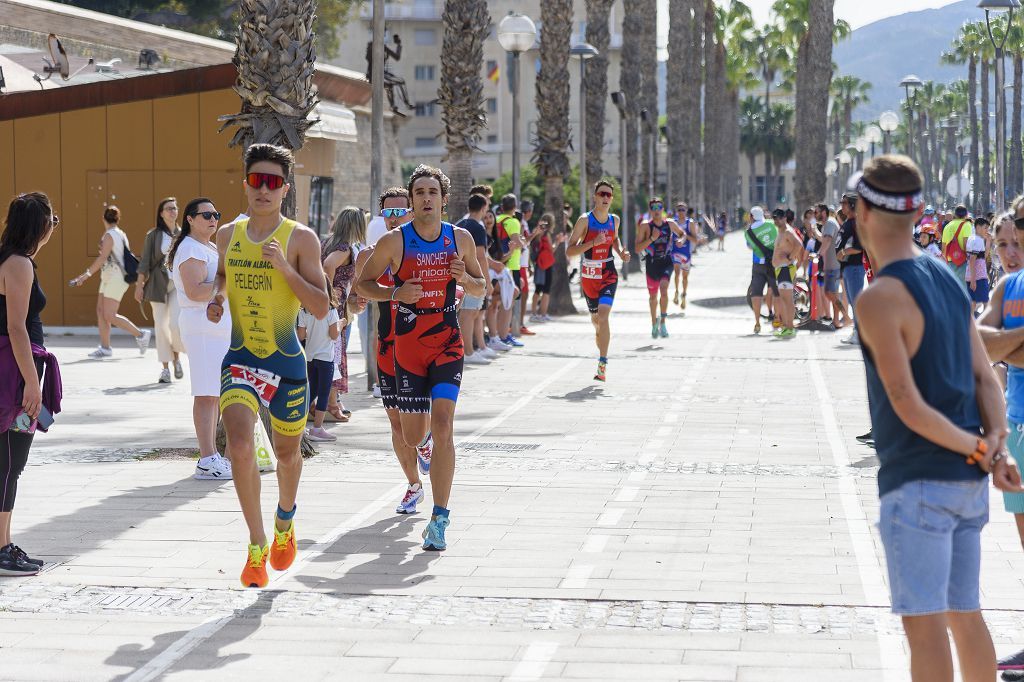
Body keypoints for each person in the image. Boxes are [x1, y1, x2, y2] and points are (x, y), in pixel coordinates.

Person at [853, 155, 1021, 682]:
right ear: (920, 211)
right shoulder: (946, 278)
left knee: (925, 632)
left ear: (861, 212)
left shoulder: (879, 297)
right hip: (967, 483)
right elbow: (984, 373)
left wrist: (979, 449)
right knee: (965, 618)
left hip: (920, 480)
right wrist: (997, 445)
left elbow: (907, 405)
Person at [206, 143, 330, 588]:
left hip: (286, 363)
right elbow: (223, 274)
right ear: (245, 184)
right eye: (256, 180)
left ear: (285, 189)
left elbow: (320, 305)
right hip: (240, 357)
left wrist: (284, 268)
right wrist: (219, 299)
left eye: (272, 182)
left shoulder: (301, 239)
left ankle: (285, 520)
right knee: (238, 443)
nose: (263, 189)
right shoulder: (227, 235)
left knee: (285, 454)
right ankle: (256, 546)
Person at [353, 164, 486, 550]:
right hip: (407, 345)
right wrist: (395, 294)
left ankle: (440, 518)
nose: (426, 198)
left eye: (433, 192)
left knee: (445, 424)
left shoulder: (459, 239)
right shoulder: (395, 242)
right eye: (419, 192)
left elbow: (482, 285)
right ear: (410, 201)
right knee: (413, 435)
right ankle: (423, 443)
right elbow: (364, 283)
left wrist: (465, 279)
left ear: (444, 199)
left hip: (446, 340)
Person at [355, 186, 431, 515]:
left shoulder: (427, 250)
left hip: (421, 344)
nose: (395, 218)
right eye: (389, 212)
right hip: (386, 344)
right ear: (382, 216)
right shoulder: (369, 255)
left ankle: (425, 443)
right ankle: (413, 485)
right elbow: (359, 294)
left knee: (417, 418)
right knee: (395, 422)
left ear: (412, 211)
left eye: (401, 211)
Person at [0, 192, 62, 576]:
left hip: (14, 369)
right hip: (15, 373)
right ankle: (1, 548)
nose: (54, 228)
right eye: (52, 222)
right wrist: (31, 384)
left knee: (9, 461)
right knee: (10, 462)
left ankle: (5, 542)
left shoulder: (10, 258)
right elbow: (16, 327)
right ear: (39, 226)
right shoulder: (18, 263)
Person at [979, 213, 1024, 673]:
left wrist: (1004, 344)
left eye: (1019, 241)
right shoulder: (1006, 290)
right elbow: (978, 343)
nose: (1012, 251)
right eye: (1004, 243)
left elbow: (993, 348)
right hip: (1020, 426)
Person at [169, 198, 233, 481]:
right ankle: (206, 458)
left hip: (217, 329)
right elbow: (195, 292)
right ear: (190, 219)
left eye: (216, 214)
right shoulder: (190, 249)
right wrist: (227, 282)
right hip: (202, 328)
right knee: (206, 393)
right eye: (206, 215)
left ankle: (214, 456)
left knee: (215, 393)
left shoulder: (208, 247)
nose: (212, 219)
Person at [566, 180, 630, 382]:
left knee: (603, 316)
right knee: (597, 322)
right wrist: (593, 242)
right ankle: (599, 334)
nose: (605, 198)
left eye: (609, 195)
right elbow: (569, 250)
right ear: (594, 196)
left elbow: (615, 239)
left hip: (608, 273)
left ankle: (602, 363)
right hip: (589, 277)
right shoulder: (584, 221)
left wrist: (621, 251)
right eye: (602, 194)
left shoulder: (615, 220)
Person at [69, 206, 151, 358]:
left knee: (109, 314)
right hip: (108, 277)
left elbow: (102, 258)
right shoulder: (120, 233)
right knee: (101, 312)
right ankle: (105, 348)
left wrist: (84, 276)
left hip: (116, 278)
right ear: (117, 218)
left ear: (103, 219)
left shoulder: (110, 235)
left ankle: (140, 334)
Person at [322, 208, 367, 422]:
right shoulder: (344, 248)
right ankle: (331, 404)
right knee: (334, 356)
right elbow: (328, 266)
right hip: (333, 309)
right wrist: (330, 296)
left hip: (324, 308)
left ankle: (326, 403)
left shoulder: (327, 242)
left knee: (324, 356)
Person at [135, 197, 184, 384]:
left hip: (177, 286)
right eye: (168, 208)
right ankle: (165, 369)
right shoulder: (153, 235)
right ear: (161, 213)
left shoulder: (184, 234)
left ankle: (177, 358)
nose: (173, 211)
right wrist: (139, 286)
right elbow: (145, 261)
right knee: (161, 328)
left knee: (175, 325)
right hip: (157, 284)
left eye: (175, 208)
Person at [298, 277, 344, 442]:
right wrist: (340, 323)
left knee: (311, 391)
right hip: (326, 358)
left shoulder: (303, 311)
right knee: (323, 392)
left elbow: (301, 336)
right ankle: (317, 428)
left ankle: (300, 425)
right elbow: (333, 335)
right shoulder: (331, 311)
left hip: (310, 356)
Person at [636, 197, 685, 338]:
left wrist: (681, 240)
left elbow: (682, 234)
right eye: (654, 208)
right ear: (650, 210)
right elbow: (637, 248)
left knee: (664, 290)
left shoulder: (669, 224)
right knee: (652, 297)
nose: (657, 210)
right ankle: (653, 324)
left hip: (666, 262)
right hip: (651, 264)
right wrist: (651, 238)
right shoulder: (645, 226)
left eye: (659, 207)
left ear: (663, 210)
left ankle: (663, 322)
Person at [456, 194, 492, 365]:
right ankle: (468, 352)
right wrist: (486, 282)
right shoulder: (477, 228)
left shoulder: (459, 224)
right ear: (483, 208)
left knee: (469, 314)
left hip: (460, 275)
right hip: (471, 277)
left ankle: (469, 350)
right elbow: (480, 257)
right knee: (469, 314)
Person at [495, 194, 525, 347]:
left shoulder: (497, 219)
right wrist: (524, 242)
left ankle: (498, 335)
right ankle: (504, 335)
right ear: (515, 206)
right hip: (511, 264)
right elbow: (517, 242)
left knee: (497, 303)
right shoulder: (513, 221)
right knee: (509, 302)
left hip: (499, 262)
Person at [745, 206, 778, 334]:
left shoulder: (748, 232)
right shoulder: (770, 224)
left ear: (751, 217)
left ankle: (757, 322)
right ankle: (776, 318)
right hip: (773, 262)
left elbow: (750, 247)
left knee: (757, 293)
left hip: (758, 264)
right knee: (775, 291)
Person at [837, 193, 865, 345]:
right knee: (852, 301)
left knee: (856, 302)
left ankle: (859, 333)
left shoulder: (856, 223)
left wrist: (843, 252)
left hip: (855, 267)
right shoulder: (848, 221)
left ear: (853, 205)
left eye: (845, 203)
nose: (842, 205)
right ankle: (857, 331)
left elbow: (860, 247)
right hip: (847, 267)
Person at [771, 208, 803, 338]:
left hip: (785, 268)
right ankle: (786, 326)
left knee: (787, 300)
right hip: (781, 269)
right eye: (774, 218)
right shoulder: (781, 232)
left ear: (784, 218)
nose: (776, 220)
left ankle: (789, 327)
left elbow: (799, 244)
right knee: (783, 300)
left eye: (779, 218)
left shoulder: (788, 232)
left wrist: (790, 258)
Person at [671, 206, 700, 309]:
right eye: (679, 209)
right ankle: (676, 291)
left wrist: (685, 236)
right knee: (677, 272)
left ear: (686, 211)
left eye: (683, 209)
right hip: (675, 252)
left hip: (686, 253)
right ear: (676, 211)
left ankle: (684, 294)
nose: (681, 212)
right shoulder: (673, 222)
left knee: (685, 276)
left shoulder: (690, 223)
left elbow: (695, 240)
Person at [530, 214, 556, 323]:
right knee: (546, 290)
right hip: (546, 264)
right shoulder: (547, 234)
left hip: (538, 264)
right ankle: (543, 314)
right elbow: (551, 249)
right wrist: (558, 242)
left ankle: (533, 313)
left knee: (537, 289)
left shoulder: (537, 233)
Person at [942, 204, 974, 289]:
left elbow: (944, 246)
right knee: (963, 290)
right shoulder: (966, 225)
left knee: (951, 289)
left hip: (949, 262)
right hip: (962, 262)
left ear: (954, 214)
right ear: (966, 214)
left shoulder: (947, 226)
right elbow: (966, 244)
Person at [966, 217, 991, 316]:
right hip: (978, 277)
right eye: (985, 228)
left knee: (973, 302)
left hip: (971, 275)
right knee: (986, 301)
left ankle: (971, 323)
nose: (987, 231)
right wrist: (973, 280)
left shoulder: (972, 238)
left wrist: (988, 241)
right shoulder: (978, 240)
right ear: (978, 227)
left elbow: (983, 256)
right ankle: (984, 323)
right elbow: (972, 259)